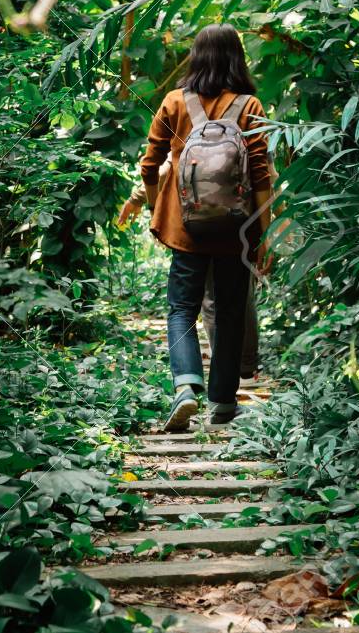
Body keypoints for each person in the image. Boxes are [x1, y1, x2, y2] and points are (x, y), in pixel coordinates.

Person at [136, 23, 272, 430]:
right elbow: (262, 178)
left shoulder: (175, 102)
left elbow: (149, 165)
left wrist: (156, 210)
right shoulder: (250, 106)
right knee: (230, 312)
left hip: (186, 227)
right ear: (237, 58)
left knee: (181, 308)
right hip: (235, 229)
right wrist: (263, 235)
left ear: (195, 56)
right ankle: (224, 404)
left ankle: (184, 387)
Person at [118, 166, 261, 380]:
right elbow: (264, 174)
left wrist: (141, 202)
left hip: (194, 223)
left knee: (203, 303)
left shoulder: (188, 130)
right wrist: (274, 220)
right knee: (240, 294)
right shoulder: (252, 130)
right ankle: (246, 363)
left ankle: (213, 374)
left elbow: (163, 170)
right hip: (238, 222)